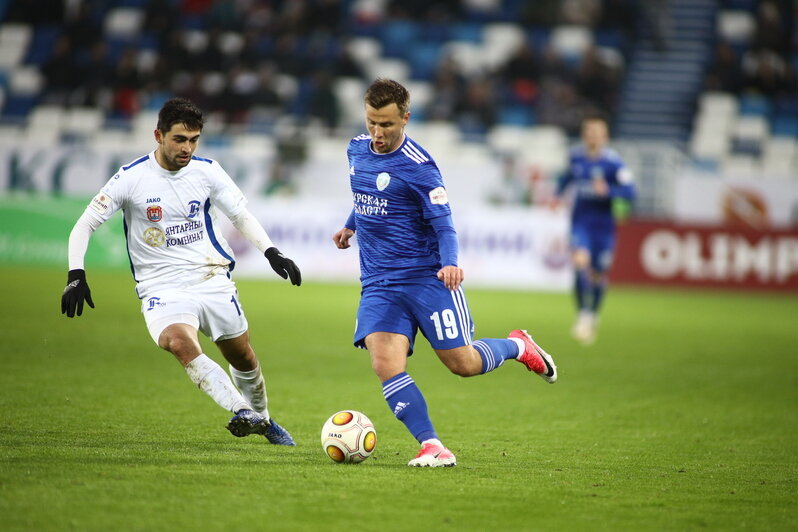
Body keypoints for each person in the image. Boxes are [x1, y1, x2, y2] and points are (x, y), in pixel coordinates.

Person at [332, 79, 558, 468]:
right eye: (371, 122)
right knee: (385, 363)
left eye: (386, 124)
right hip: (379, 282)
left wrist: (450, 262)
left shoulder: (421, 168)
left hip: (426, 278)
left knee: (463, 364)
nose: (377, 133)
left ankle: (519, 347)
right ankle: (432, 445)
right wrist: (351, 224)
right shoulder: (356, 149)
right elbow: (367, 196)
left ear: (406, 117)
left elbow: (444, 224)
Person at [61, 97, 301, 444]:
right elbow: (84, 225)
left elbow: (240, 216)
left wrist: (271, 252)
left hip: (211, 278)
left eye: (193, 140)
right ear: (158, 135)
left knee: (242, 355)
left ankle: (263, 419)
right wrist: (76, 274)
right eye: (179, 139)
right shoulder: (131, 178)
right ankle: (242, 410)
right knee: (178, 342)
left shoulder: (207, 172)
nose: (187, 147)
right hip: (161, 287)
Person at [553, 115, 636, 344]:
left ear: (605, 136)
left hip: (604, 226)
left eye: (597, 132)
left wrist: (608, 191)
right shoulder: (576, 157)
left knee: (599, 273)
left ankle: (593, 314)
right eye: (589, 132)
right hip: (581, 222)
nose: (593, 136)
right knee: (580, 262)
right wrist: (556, 195)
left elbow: (630, 192)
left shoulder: (614, 163)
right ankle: (583, 314)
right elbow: (565, 179)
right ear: (584, 135)